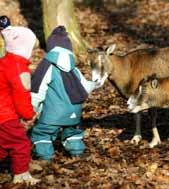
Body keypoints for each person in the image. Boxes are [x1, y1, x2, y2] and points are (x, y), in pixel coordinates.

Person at [31, 25, 98, 161]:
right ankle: (77, 152)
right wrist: (94, 84)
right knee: (73, 132)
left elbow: (38, 88)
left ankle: (45, 158)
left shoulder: (46, 66)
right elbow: (84, 87)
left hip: (53, 114)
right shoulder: (74, 69)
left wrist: (33, 107)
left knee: (42, 133)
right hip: (74, 112)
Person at [0, 15, 40, 185]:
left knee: (2, 145)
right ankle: (21, 175)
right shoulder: (19, 69)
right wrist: (28, 113)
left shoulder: (4, 62)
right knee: (20, 143)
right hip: (5, 115)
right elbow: (21, 95)